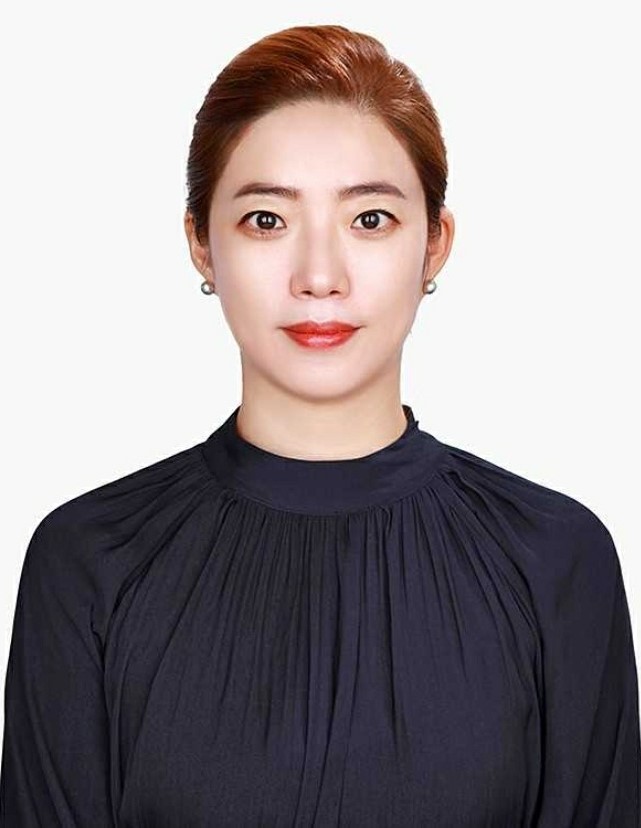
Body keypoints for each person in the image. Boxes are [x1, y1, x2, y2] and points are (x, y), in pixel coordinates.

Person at [0, 22, 639, 827]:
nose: (319, 277)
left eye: (369, 219)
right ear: (201, 244)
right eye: (266, 220)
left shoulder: (555, 559)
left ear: (433, 244)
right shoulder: (88, 561)